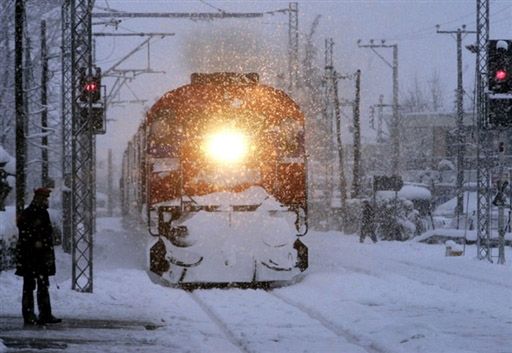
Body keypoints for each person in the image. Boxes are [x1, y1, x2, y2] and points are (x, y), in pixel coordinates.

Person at [15, 187, 61, 326]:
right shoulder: (33, 213)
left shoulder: (36, 212)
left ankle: (40, 314)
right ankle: (34, 315)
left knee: (39, 286)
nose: (47, 201)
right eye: (45, 198)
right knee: (33, 286)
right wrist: (40, 246)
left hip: (36, 256)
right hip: (33, 256)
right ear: (39, 199)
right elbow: (29, 235)